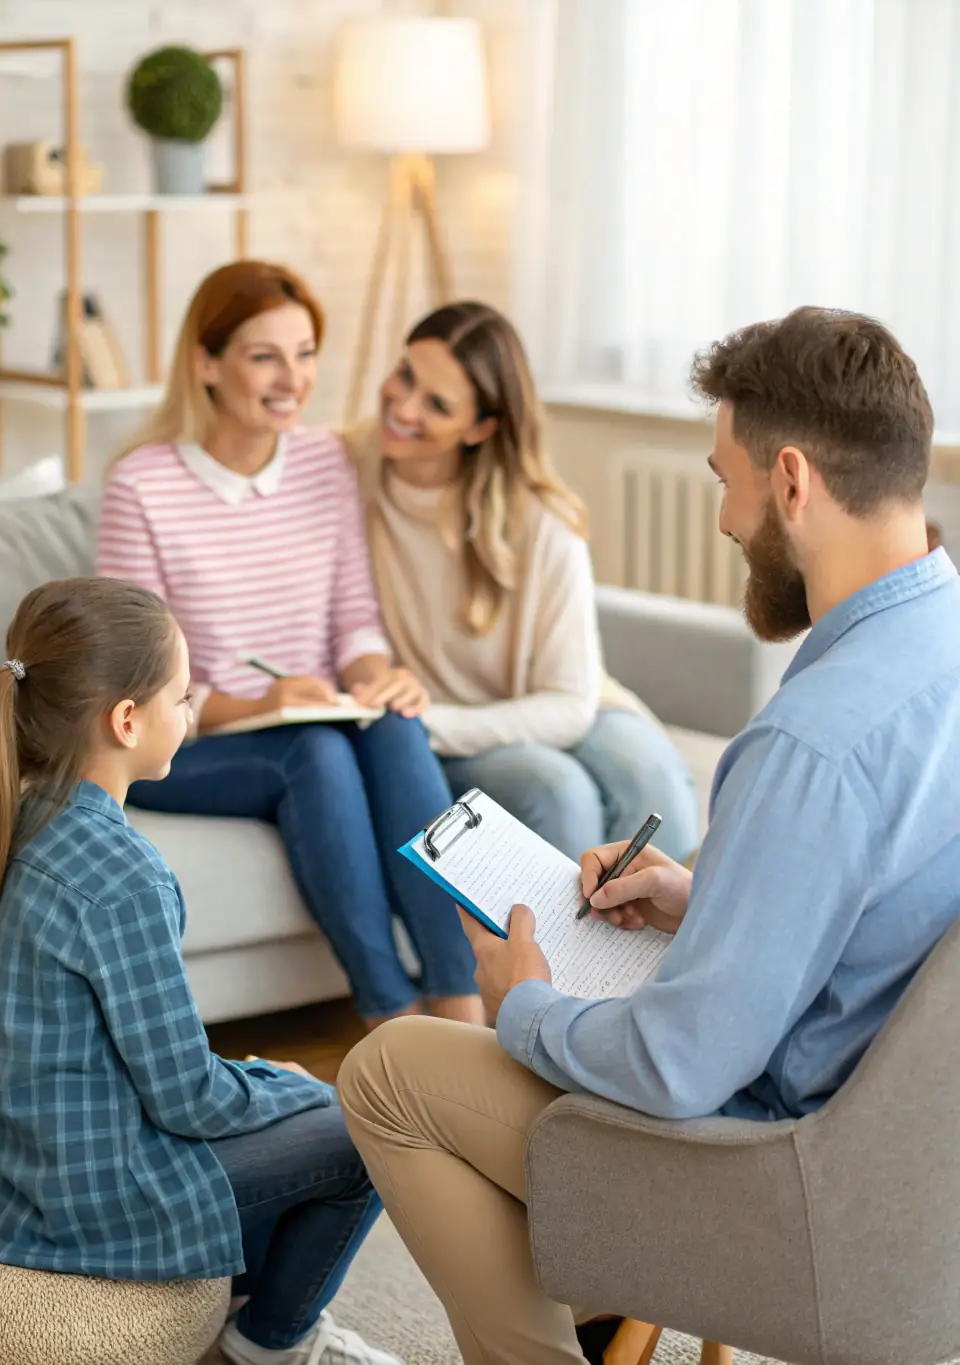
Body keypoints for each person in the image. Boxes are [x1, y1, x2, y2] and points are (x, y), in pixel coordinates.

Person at [336, 307, 960, 1365]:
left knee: (389, 1072)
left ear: (793, 482)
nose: (724, 519)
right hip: (905, 1171)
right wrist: (699, 896)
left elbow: (680, 1066)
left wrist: (523, 1004)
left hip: (771, 1174)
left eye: (725, 479)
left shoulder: (809, 741)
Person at [0, 576, 399, 1365]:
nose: (191, 716)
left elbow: (151, 1069)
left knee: (283, 1098)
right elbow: (188, 1097)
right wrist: (290, 1083)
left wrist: (262, 1083)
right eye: (183, 698)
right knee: (363, 1129)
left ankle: (251, 1294)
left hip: (12, 1167)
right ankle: (269, 1342)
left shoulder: (20, 814)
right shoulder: (120, 873)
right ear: (127, 720)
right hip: (86, 1196)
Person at [96, 260, 480, 1029]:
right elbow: (133, 688)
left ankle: (462, 1004)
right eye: (264, 355)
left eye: (305, 353)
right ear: (206, 363)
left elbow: (353, 620)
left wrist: (376, 676)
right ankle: (391, 1017)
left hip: (311, 719)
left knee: (397, 726)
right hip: (185, 744)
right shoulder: (140, 485)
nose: (293, 377)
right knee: (314, 751)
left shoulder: (323, 461)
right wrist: (259, 701)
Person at [345, 301, 699, 866]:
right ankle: (555, 955)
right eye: (405, 374)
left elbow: (568, 704)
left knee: (649, 777)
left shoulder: (539, 520)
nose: (403, 407)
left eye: (436, 405)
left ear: (481, 427)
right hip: (432, 722)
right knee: (555, 790)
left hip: (538, 706)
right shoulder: (343, 466)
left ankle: (663, 956)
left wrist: (431, 722)